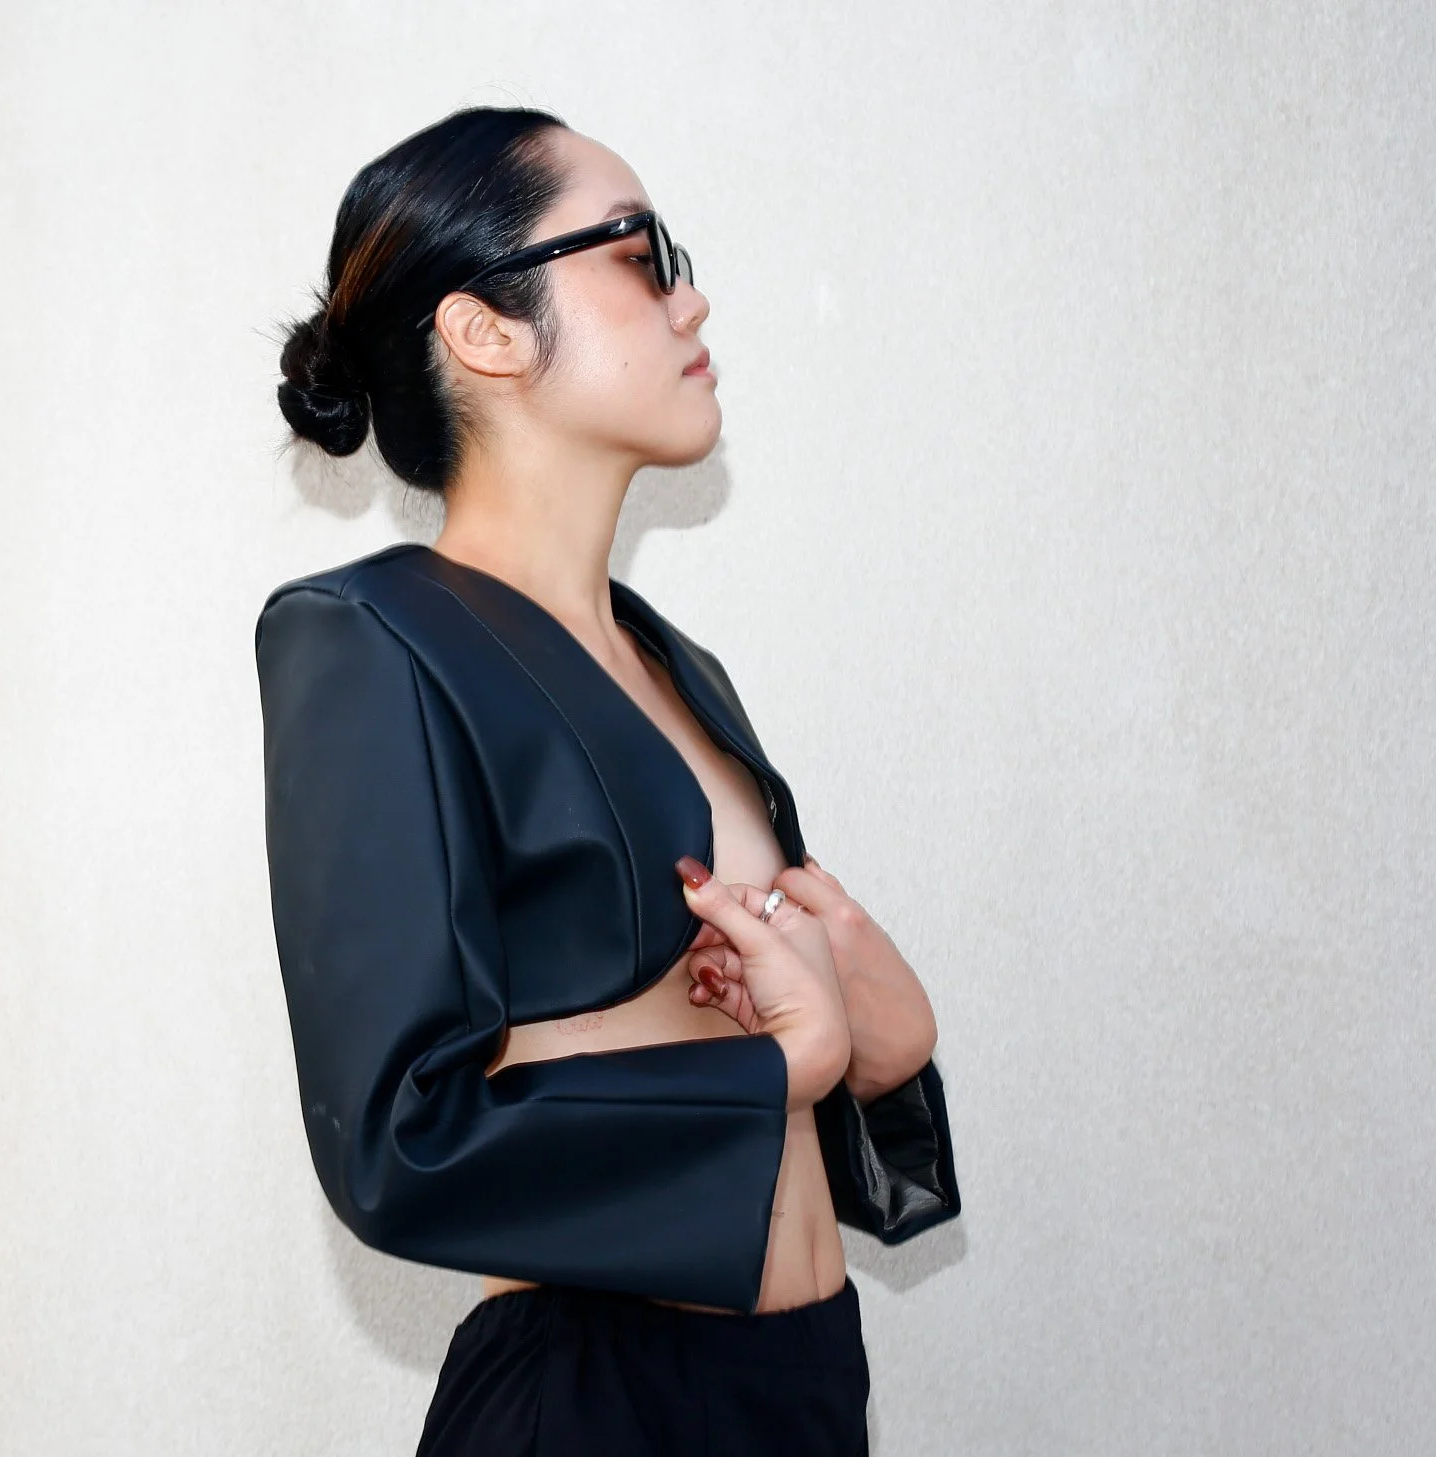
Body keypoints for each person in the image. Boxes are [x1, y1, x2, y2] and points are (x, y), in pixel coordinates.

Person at [256, 105, 961, 1456]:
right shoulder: (370, 636)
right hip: (598, 1409)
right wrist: (784, 1070)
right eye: (640, 254)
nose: (690, 298)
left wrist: (882, 1049)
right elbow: (398, 1137)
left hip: (804, 1390)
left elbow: (729, 1033)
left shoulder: (672, 660)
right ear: (485, 331)